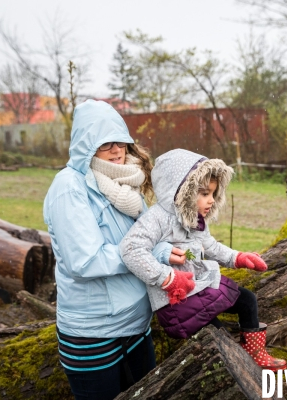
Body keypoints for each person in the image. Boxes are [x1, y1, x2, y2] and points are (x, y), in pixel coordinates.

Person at [43, 100, 186, 400]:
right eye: (105, 143)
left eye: (120, 141)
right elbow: (86, 261)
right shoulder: (70, 188)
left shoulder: (123, 183)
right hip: (93, 334)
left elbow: (140, 236)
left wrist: (161, 251)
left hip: (136, 325)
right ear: (86, 144)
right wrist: (145, 255)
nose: (117, 150)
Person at [120, 149, 287, 371]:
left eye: (213, 194)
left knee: (247, 300)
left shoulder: (195, 219)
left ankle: (255, 353)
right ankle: (238, 367)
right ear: (180, 189)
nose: (210, 201)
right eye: (204, 193)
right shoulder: (157, 218)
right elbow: (130, 248)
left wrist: (237, 257)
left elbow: (209, 245)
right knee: (217, 336)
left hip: (199, 287)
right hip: (177, 301)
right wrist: (166, 278)